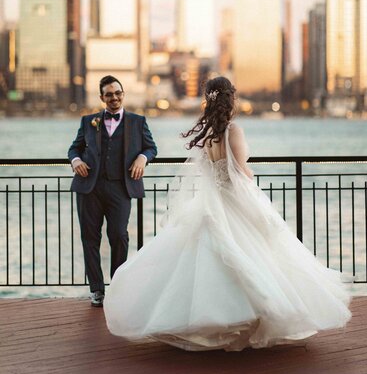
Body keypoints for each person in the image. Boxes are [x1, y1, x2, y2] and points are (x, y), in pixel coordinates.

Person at [104, 76, 351, 350]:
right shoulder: (233, 130)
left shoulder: (209, 132)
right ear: (229, 99)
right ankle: (246, 318)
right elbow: (238, 172)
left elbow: (216, 169)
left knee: (212, 258)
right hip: (233, 199)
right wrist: (251, 181)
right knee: (256, 252)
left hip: (212, 202)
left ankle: (216, 321)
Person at [68, 75, 157, 307]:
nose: (114, 98)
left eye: (118, 93)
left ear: (123, 94)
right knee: (90, 238)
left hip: (120, 187)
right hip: (90, 187)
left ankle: (117, 286)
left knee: (119, 235)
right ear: (102, 98)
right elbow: (74, 148)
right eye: (109, 94)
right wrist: (76, 160)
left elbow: (151, 147)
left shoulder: (137, 121)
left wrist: (142, 158)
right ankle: (96, 290)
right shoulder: (89, 121)